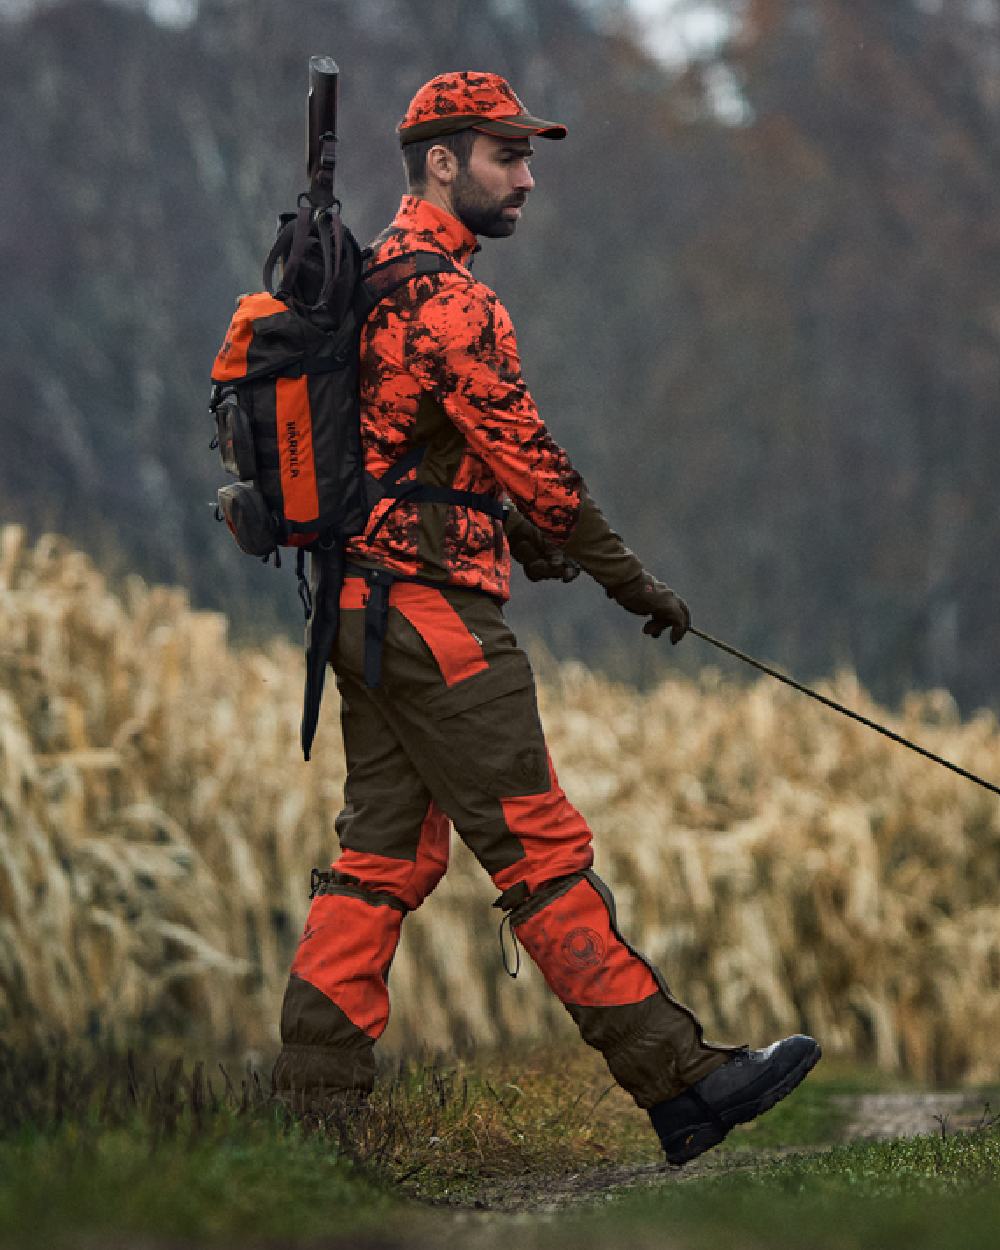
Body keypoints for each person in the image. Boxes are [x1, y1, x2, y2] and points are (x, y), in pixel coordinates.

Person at [272, 70, 819, 1164]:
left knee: (378, 862)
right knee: (541, 850)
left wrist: (513, 541)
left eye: (527, 156)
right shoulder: (450, 299)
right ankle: (685, 1082)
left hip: (363, 607)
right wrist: (633, 583)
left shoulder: (376, 278)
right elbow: (539, 472)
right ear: (440, 159)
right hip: (433, 621)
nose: (526, 177)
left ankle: (312, 1115)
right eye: (505, 155)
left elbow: (420, 460)